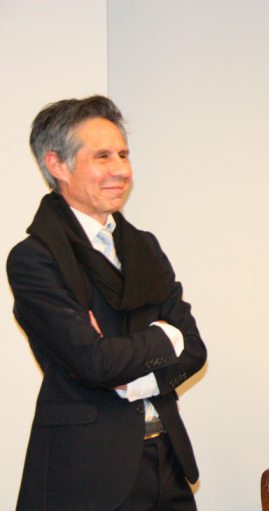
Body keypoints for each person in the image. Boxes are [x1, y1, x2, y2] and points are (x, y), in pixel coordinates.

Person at [7, 96, 207, 511]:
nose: (121, 169)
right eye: (102, 156)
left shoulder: (144, 247)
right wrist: (163, 337)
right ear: (57, 164)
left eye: (123, 154)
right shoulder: (35, 258)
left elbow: (193, 349)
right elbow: (95, 362)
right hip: (86, 473)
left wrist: (135, 377)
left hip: (167, 460)